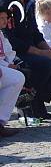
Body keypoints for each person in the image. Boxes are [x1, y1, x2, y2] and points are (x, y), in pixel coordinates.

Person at [0, 9, 24, 137]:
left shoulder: (1, 34)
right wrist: (7, 65)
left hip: (3, 66)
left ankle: (1, 121)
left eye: (5, 18)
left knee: (17, 78)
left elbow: (8, 52)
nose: (4, 21)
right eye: (1, 18)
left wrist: (13, 63)